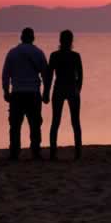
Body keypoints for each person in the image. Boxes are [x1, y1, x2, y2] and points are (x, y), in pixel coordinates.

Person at [2, 27, 48, 160]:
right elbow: (45, 74)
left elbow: (6, 74)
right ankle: (35, 151)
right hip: (33, 93)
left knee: (15, 125)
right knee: (35, 124)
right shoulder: (38, 52)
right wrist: (45, 93)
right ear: (33, 38)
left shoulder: (12, 53)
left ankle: (14, 152)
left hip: (17, 93)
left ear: (21, 37)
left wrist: (6, 91)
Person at [43, 29, 83, 160]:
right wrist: (78, 90)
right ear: (71, 41)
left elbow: (49, 76)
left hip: (59, 89)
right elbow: (81, 77)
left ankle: (53, 153)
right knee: (75, 122)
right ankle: (78, 153)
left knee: (56, 121)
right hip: (71, 89)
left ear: (60, 41)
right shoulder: (75, 56)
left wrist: (46, 92)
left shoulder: (55, 56)